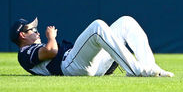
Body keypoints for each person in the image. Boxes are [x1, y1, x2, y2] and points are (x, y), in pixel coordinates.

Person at [10, 16, 174, 77]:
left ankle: (150, 66)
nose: (37, 31)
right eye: (32, 29)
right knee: (97, 26)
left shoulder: (31, 47)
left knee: (126, 22)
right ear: (22, 35)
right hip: (70, 67)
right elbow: (51, 51)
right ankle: (137, 70)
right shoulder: (24, 52)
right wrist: (51, 37)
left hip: (86, 65)